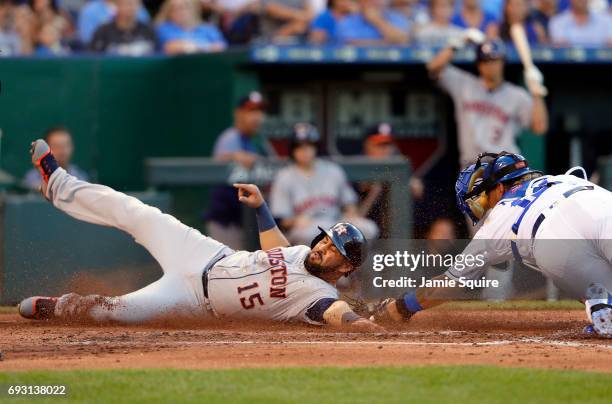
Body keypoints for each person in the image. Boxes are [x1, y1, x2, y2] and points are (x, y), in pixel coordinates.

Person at [19, 139, 382, 332]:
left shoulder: (318, 294)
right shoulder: (302, 253)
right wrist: (260, 208)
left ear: (347, 267)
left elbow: (334, 313)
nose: (321, 246)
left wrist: (364, 325)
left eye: (331, 248)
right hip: (204, 253)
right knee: (137, 212)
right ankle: (58, 184)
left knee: (116, 312)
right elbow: (279, 250)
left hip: (193, 298)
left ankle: (59, 306)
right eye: (324, 239)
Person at [372, 152, 612, 338]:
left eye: (482, 199)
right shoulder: (561, 178)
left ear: (499, 188)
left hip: (551, 237)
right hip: (599, 205)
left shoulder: (498, 219)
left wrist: (402, 306)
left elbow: (449, 285)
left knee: (595, 288)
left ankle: (603, 305)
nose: (482, 207)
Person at [427, 37, 549, 168]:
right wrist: (456, 43)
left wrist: (537, 94)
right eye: (486, 61)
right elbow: (433, 67)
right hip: (472, 165)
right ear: (479, 65)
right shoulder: (464, 84)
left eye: (494, 60)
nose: (491, 66)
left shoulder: (516, 95)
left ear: (502, 62)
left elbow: (539, 127)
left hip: (505, 165)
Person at [270, 123, 379, 246]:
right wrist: (295, 221)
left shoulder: (333, 170)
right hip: (307, 227)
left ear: (316, 147)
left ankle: (358, 264)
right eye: (299, 146)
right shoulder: (284, 176)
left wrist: (351, 214)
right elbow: (279, 219)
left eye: (309, 145)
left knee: (368, 228)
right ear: (292, 150)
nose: (305, 150)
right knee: (307, 234)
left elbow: (349, 203)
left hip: (335, 222)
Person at [205, 92, 269, 250]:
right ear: (238, 113)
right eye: (251, 111)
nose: (257, 117)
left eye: (259, 111)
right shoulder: (231, 137)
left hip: (241, 221)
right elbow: (221, 160)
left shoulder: (252, 142)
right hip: (226, 222)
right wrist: (234, 156)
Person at [22, 127, 88, 191]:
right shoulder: (32, 179)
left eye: (66, 145)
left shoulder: (81, 178)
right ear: (46, 150)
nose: (62, 151)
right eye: (56, 146)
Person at [155, 0, 226, 54]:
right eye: (175, 9)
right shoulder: (164, 28)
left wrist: (192, 47)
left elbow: (221, 47)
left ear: (193, 8)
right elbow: (171, 47)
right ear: (169, 12)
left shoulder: (208, 28)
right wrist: (208, 48)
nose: (180, 12)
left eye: (184, 7)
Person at [90, 0, 159, 56]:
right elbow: (92, 57)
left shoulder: (148, 30)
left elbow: (158, 53)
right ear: (117, 6)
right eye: (127, 4)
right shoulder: (103, 31)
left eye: (134, 4)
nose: (131, 8)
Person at [337, 0, 410, 45]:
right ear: (360, 2)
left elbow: (403, 39)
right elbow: (350, 43)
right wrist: (389, 43)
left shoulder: (396, 18)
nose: (373, 2)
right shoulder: (348, 21)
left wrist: (377, 21)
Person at [78, 0, 150, 45]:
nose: (130, 9)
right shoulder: (90, 10)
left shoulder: (140, 10)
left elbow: (147, 33)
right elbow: (88, 43)